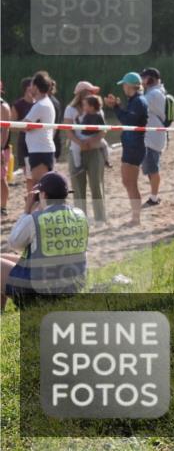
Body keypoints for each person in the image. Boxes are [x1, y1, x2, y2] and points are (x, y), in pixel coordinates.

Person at [1, 172, 89, 310]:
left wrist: (27, 211)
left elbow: (14, 243)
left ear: (44, 195)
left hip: (43, 292)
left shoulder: (37, 219)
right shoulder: (80, 215)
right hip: (72, 286)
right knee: (4, 258)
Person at [105, 72, 148, 227]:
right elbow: (128, 119)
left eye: (124, 84)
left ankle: (136, 219)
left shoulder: (138, 101)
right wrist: (117, 106)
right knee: (127, 182)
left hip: (135, 146)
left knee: (131, 183)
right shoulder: (134, 100)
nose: (123, 87)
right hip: (130, 145)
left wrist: (116, 107)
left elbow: (128, 121)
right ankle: (135, 217)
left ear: (129, 86)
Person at [22, 72, 58, 205]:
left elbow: (23, 125)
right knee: (41, 188)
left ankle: (42, 218)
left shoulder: (41, 105)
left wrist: (7, 123)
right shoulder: (42, 103)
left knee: (40, 189)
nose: (29, 88)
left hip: (40, 151)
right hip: (40, 150)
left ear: (36, 87)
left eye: (31, 85)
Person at [73, 95, 108, 225]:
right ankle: (79, 165)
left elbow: (103, 130)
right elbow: (80, 127)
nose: (84, 107)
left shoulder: (98, 116)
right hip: (83, 141)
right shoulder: (83, 115)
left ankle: (100, 217)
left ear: (92, 106)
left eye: (86, 104)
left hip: (94, 143)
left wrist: (92, 140)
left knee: (96, 185)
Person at [139, 68, 167, 209]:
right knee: (151, 168)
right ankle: (154, 195)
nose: (142, 80)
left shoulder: (154, 93)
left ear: (152, 78)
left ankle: (154, 197)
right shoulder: (154, 92)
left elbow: (140, 105)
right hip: (151, 136)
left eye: (144, 78)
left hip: (153, 137)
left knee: (153, 168)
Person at [0, 83, 10, 216]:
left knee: (1, 179)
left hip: (1, 147)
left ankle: (3, 207)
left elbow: (5, 130)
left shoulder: (3, 106)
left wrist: (1, 148)